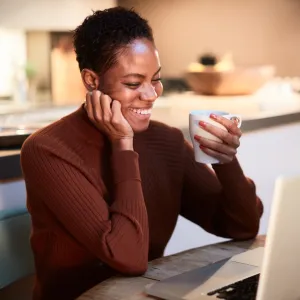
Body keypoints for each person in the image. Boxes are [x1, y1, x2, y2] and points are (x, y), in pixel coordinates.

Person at [20, 7, 263, 300]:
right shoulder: (48, 150)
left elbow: (242, 226)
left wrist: (225, 160)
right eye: (133, 83)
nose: (150, 95)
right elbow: (129, 258)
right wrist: (123, 143)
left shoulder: (166, 140)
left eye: (155, 79)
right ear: (92, 81)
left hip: (144, 294)